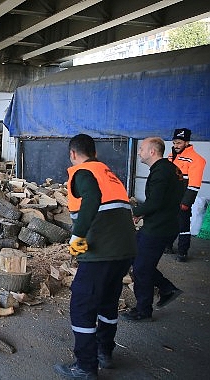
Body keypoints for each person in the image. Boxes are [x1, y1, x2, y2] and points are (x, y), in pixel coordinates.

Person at [54, 134, 136, 379]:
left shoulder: (82, 172)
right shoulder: (109, 173)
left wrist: (77, 235)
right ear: (95, 152)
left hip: (102, 251)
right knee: (108, 303)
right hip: (125, 251)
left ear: (72, 154)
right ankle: (104, 353)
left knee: (81, 304)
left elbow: (92, 198)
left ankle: (85, 366)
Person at [121, 137, 184, 322]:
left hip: (159, 228)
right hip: (162, 223)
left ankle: (143, 311)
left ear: (152, 152)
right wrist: (144, 213)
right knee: (134, 255)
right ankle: (166, 288)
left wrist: (133, 211)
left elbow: (155, 202)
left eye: (141, 149)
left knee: (141, 269)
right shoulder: (169, 168)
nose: (139, 151)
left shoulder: (161, 172)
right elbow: (162, 199)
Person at [166, 128, 206, 262]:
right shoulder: (171, 156)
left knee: (183, 225)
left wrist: (186, 202)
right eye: (174, 142)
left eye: (179, 143)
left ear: (187, 142)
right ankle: (168, 246)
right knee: (169, 222)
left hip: (182, 199)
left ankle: (182, 252)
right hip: (169, 198)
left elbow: (194, 184)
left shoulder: (196, 160)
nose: (176, 145)